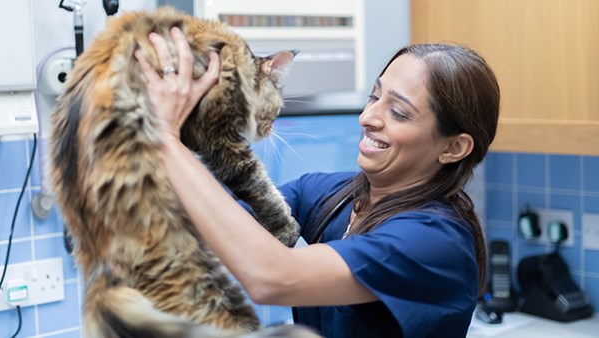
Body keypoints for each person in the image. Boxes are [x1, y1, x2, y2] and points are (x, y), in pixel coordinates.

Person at [135, 27, 500, 337]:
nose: (367, 116)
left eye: (399, 112)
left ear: (453, 147)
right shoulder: (332, 195)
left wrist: (165, 138)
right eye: (375, 96)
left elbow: (272, 278)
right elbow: (213, 229)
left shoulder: (432, 240)